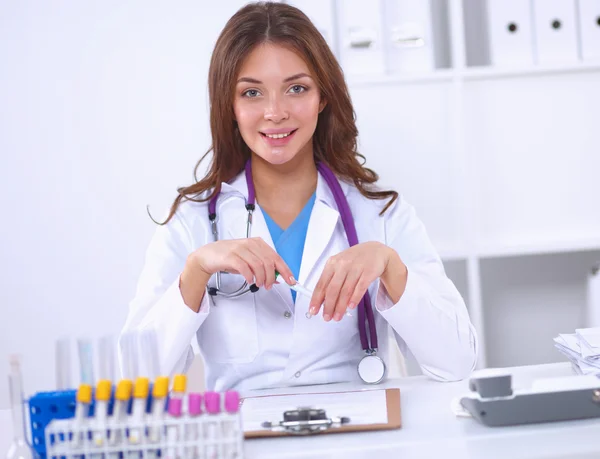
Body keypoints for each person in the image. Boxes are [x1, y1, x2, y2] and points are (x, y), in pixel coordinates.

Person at [120, 1, 477, 391]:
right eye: (252, 92)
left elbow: (457, 363)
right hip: (244, 447)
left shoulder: (381, 216)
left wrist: (390, 267)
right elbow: (136, 383)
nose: (275, 112)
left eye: (296, 88)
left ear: (323, 96)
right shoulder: (192, 225)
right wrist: (195, 273)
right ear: (230, 107)